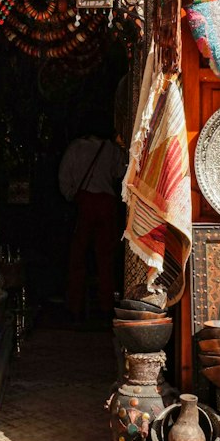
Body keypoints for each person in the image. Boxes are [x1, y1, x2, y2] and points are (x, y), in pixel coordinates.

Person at [58, 119, 127, 324]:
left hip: (85, 203)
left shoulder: (75, 147)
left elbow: (64, 177)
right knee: (105, 257)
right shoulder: (111, 149)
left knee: (77, 256)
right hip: (107, 204)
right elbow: (121, 172)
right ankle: (106, 305)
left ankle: (74, 305)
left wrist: (71, 196)